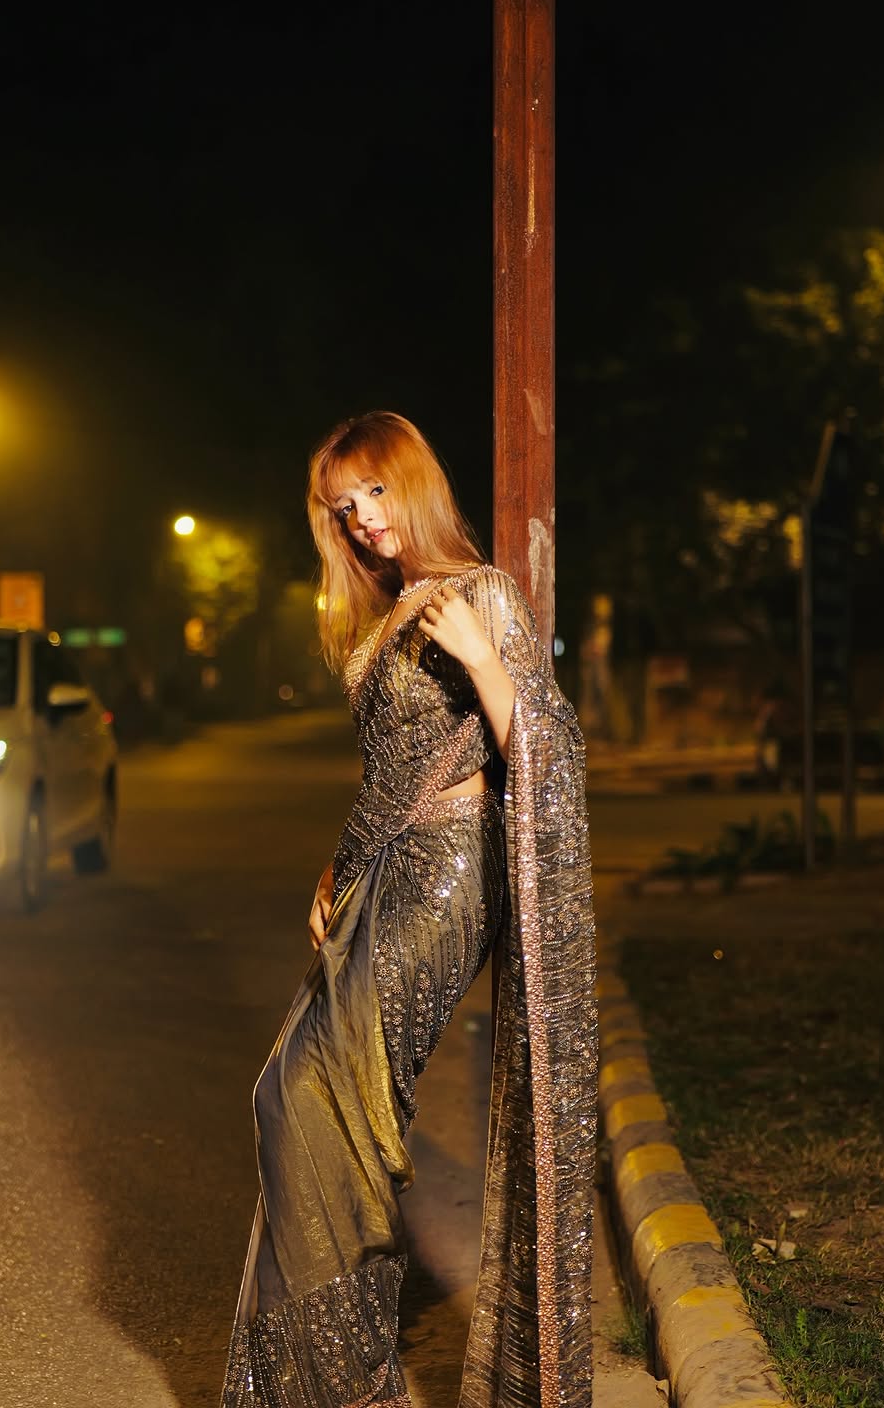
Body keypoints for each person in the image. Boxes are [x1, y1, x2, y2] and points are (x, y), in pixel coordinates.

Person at [221, 412, 596, 1408]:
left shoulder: (481, 594)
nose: (362, 520)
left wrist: (483, 659)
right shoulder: (386, 613)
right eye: (344, 507)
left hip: (444, 879)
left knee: (315, 1094)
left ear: (415, 483)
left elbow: (549, 747)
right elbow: (388, 772)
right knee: (296, 1098)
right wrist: (337, 868)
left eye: (376, 494)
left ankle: (354, 1378)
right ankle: (338, 1372)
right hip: (379, 872)